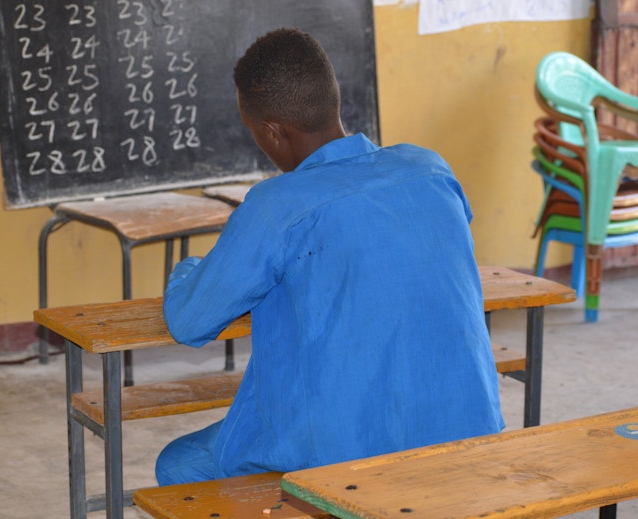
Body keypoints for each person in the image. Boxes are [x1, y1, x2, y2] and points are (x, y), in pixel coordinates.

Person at [156, 27, 504, 485]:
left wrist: (189, 271)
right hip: (470, 432)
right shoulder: (430, 169)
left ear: (274, 132)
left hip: (345, 459)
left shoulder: (277, 206)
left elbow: (189, 321)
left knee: (176, 465)